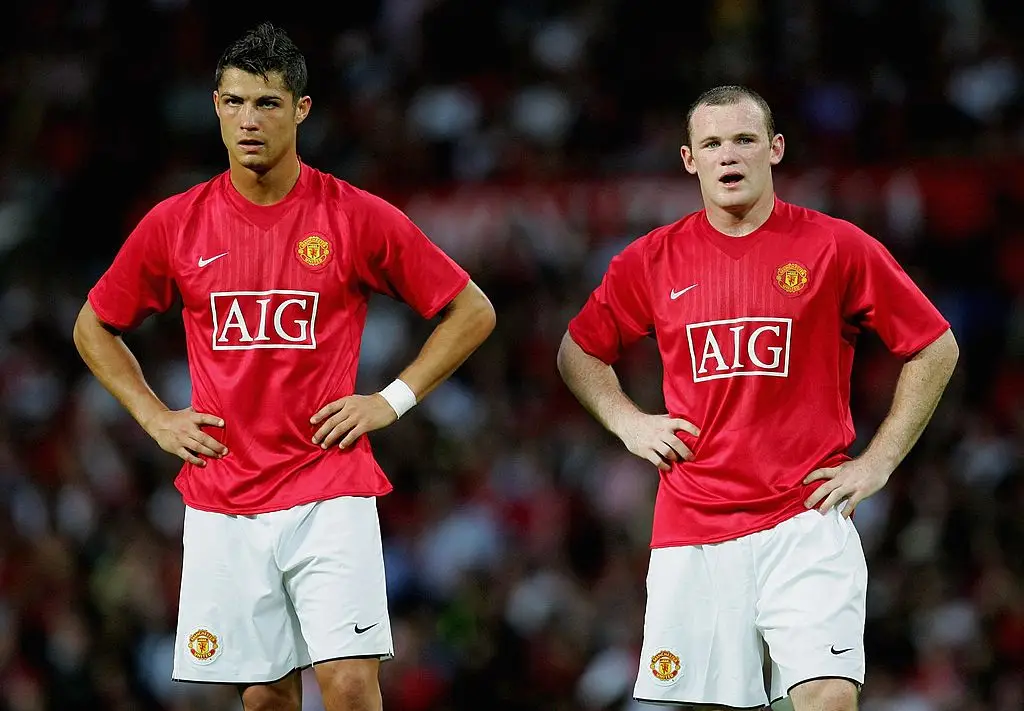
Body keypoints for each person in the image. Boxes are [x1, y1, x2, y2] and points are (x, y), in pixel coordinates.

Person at [72, 21, 495, 711]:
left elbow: (471, 309)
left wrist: (390, 400)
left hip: (328, 484)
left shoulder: (352, 215)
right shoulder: (177, 223)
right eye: (235, 102)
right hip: (225, 494)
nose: (248, 119)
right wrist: (153, 417)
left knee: (351, 683)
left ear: (301, 109)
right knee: (265, 696)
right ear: (214, 105)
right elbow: (94, 325)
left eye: (267, 103)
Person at [556, 85, 959, 711]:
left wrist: (878, 462)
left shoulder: (834, 246)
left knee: (827, 697)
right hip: (694, 527)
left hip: (806, 520)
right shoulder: (652, 259)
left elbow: (934, 345)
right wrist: (628, 422)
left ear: (773, 149)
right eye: (712, 143)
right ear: (690, 160)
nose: (728, 155)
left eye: (743, 139)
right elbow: (578, 351)